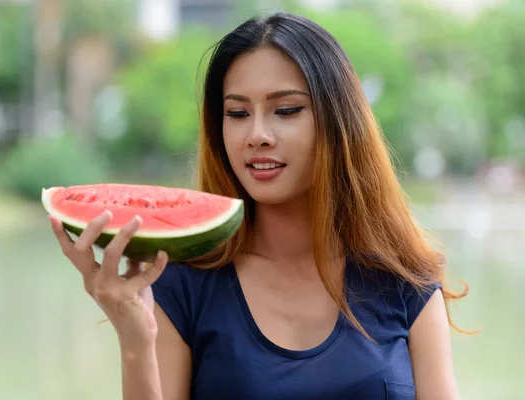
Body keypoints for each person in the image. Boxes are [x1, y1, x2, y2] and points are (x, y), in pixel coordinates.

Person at [49, 11, 469, 400]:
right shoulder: (181, 287)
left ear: (339, 122)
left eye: (285, 110)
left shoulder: (406, 283)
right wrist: (135, 342)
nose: (258, 135)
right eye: (237, 113)